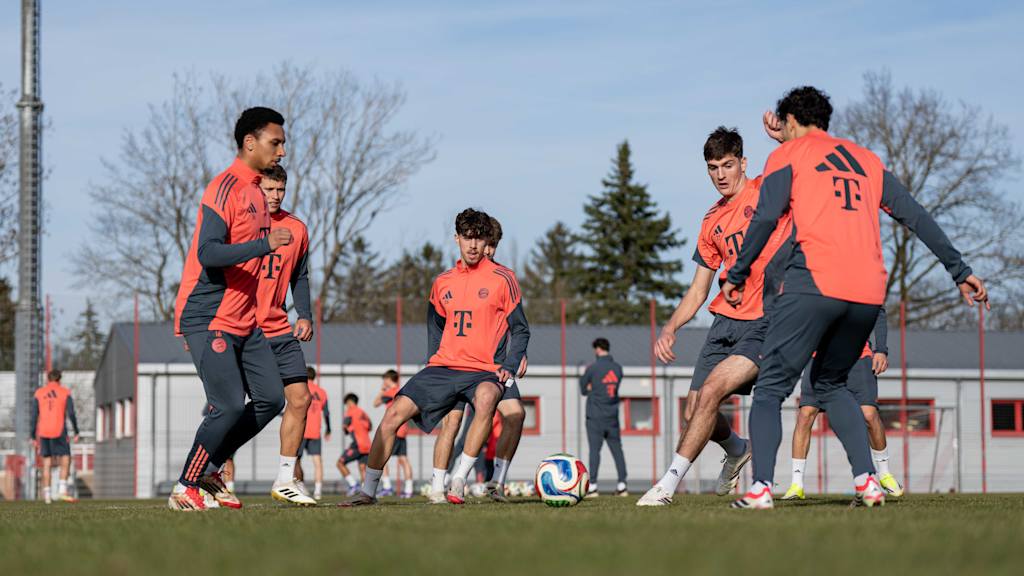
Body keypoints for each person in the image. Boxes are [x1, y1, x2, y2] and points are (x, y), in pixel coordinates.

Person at [721, 86, 987, 509]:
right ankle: (867, 481)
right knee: (829, 383)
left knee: (770, 387)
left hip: (814, 283)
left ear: (790, 121)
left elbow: (768, 215)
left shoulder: (787, 155)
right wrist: (960, 270)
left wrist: (737, 273)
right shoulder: (866, 160)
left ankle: (761, 489)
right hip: (866, 294)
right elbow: (915, 215)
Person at [639, 125, 792, 506]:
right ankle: (738, 448)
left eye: (727, 165)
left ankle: (665, 487)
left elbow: (800, 167)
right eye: (712, 167)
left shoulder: (767, 193)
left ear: (743, 163)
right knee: (695, 411)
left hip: (765, 320)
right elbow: (698, 289)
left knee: (710, 393)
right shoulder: (711, 221)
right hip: (723, 324)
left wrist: (786, 140)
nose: (721, 174)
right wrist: (670, 328)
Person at [341, 208, 529, 507]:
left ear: (486, 242)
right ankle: (368, 491)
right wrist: (433, 360)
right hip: (442, 368)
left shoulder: (503, 278)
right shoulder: (442, 282)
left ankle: (459, 479)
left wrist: (510, 362)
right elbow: (435, 326)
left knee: (490, 402)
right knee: (392, 416)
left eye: (479, 239)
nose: (473, 245)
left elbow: (520, 329)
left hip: (484, 370)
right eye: (467, 238)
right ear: (456, 239)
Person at [169, 107, 292, 511]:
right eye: (276, 143)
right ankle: (185, 486)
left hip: (245, 319)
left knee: (272, 399)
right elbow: (208, 252)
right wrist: (264, 244)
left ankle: (212, 466)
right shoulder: (224, 187)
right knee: (227, 406)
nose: (282, 151)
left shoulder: (258, 192)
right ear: (250, 142)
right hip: (209, 315)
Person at [427, 216, 528, 504]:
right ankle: (442, 482)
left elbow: (515, 324)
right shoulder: (457, 279)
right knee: (452, 422)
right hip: (459, 365)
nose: (488, 251)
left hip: (494, 369)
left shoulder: (502, 278)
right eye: (487, 245)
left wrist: (518, 356)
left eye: (493, 245)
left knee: (516, 415)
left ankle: (496, 481)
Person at [782, 309, 904, 500]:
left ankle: (885, 474)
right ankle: (796, 484)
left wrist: (881, 349)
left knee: (869, 415)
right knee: (806, 414)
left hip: (857, 356)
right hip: (818, 358)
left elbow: (878, 311)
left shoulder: (857, 281)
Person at [255, 164, 316, 506]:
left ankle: (285, 478)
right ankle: (210, 472)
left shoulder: (296, 228)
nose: (275, 196)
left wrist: (304, 314)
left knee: (300, 399)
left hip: (279, 328)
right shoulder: (241, 226)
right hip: (242, 328)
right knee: (232, 407)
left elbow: (300, 276)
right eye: (269, 190)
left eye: (280, 190)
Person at [580, 338, 628, 497]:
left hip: (595, 416)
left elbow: (583, 389)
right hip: (612, 415)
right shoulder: (618, 368)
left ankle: (592, 486)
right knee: (617, 451)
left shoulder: (592, 368)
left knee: (594, 451)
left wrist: (591, 388)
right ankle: (622, 485)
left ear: (598, 349)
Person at [31, 370, 80, 504]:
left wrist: (32, 436)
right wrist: (76, 431)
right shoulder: (65, 392)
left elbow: (34, 415)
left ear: (48, 379)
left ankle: (47, 496)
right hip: (59, 430)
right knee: (65, 458)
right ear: (59, 379)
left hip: (44, 432)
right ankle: (62, 490)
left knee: (46, 463)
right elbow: (71, 413)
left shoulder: (39, 393)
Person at [374, 370, 414, 498]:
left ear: (388, 379)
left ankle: (387, 487)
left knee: (382, 458)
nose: (383, 382)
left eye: (384, 379)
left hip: (393, 429)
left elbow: (375, 403)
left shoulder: (390, 392)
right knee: (403, 460)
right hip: (402, 429)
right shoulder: (402, 391)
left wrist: (382, 390)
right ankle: (409, 489)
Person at [295, 367, 331, 500]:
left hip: (301, 429)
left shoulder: (301, 388)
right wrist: (329, 429)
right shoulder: (322, 392)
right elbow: (326, 413)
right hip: (315, 431)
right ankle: (318, 491)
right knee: (317, 461)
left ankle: (300, 486)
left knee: (296, 460)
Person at [337, 393, 372, 496]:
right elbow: (370, 426)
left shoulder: (350, 411)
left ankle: (353, 485)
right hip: (367, 444)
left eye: (347, 403)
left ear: (350, 402)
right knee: (362, 468)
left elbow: (345, 426)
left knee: (340, 463)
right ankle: (366, 491)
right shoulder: (363, 413)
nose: (347, 406)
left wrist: (347, 430)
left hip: (357, 444)